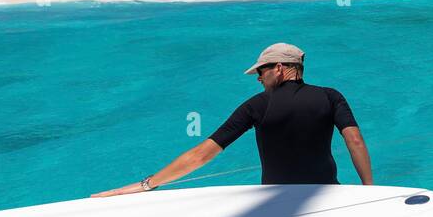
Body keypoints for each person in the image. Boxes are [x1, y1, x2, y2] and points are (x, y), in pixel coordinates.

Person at [93, 42, 373, 196]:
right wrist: (369, 190)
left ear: (278, 68)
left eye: (261, 73)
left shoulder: (257, 105)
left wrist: (146, 184)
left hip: (276, 202)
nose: (259, 80)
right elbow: (355, 141)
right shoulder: (330, 95)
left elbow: (202, 155)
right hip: (327, 195)